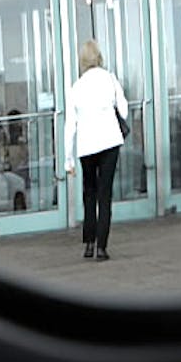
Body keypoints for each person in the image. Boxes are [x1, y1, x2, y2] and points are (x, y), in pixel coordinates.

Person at [64, 39, 128, 261]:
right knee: (105, 194)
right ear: (99, 57)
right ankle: (102, 247)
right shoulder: (110, 79)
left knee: (89, 193)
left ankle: (89, 244)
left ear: (82, 61)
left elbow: (70, 125)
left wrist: (68, 159)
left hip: (86, 146)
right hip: (109, 142)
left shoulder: (76, 87)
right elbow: (125, 111)